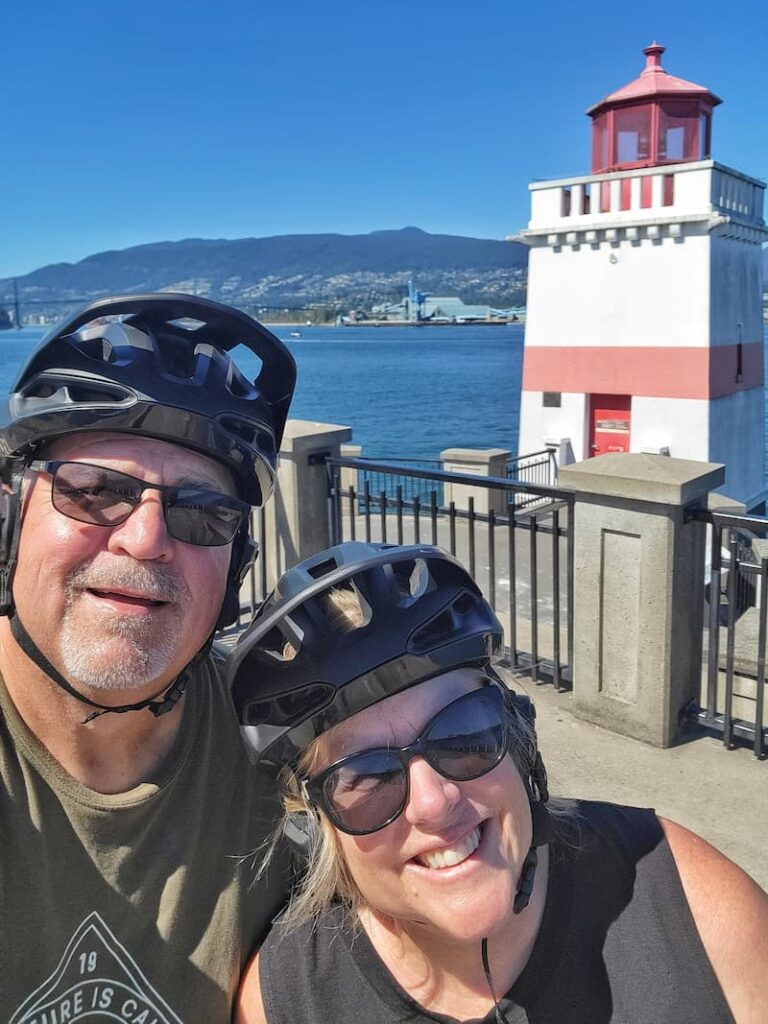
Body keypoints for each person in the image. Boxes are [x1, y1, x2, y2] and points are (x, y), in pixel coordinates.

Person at [230, 541, 768, 1024]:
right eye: (368, 778)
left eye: (462, 735)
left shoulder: (689, 904)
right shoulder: (285, 1003)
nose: (435, 803)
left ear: (518, 738)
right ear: (316, 827)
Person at [0, 293, 297, 1021]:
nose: (145, 540)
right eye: (96, 492)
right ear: (8, 520)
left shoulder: (290, 739)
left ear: (237, 563)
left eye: (203, 513)